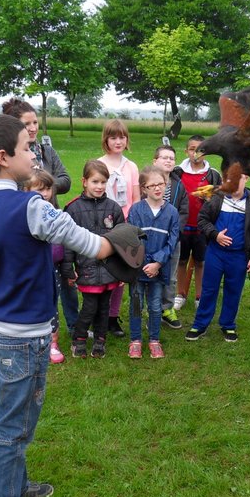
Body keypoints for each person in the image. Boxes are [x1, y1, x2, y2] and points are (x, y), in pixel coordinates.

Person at [0, 113, 140, 497]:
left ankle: (13, 488)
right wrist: (125, 238)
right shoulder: (33, 206)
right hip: (25, 338)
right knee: (11, 429)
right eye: (26, 148)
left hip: (0, 333)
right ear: (4, 158)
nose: (33, 153)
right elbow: (90, 243)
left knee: (11, 420)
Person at [2, 98, 77, 333]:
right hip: (24, 226)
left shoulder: (46, 151)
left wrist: (44, 184)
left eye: (35, 122)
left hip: (52, 221)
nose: (33, 128)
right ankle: (40, 328)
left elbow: (66, 180)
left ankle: (75, 327)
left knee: (66, 276)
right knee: (39, 279)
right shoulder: (11, 157)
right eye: (27, 124)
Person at [184, 173, 250, 342]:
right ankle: (200, 324)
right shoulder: (216, 199)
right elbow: (202, 220)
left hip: (239, 256)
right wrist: (215, 235)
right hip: (216, 253)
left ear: (246, 179)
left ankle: (228, 325)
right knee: (209, 288)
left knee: (233, 290)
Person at [61, 160, 125, 358]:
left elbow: (122, 240)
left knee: (104, 308)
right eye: (95, 181)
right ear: (84, 181)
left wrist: (122, 268)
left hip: (109, 270)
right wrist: (68, 268)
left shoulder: (113, 208)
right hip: (86, 269)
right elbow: (68, 241)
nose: (99, 186)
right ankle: (79, 340)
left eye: (103, 182)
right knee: (89, 308)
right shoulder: (73, 209)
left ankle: (100, 340)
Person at [127, 166, 179, 359]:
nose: (157, 188)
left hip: (159, 270)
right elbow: (133, 240)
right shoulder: (136, 210)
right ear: (143, 188)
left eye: (161, 184)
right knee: (136, 304)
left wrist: (157, 263)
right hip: (137, 268)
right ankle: (135, 340)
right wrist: (144, 264)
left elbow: (172, 242)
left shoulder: (172, 212)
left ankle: (154, 340)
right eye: (152, 185)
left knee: (156, 306)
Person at [98, 118, 140, 337]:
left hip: (123, 225)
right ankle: (99, 314)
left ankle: (113, 317)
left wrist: (131, 227)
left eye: (122, 137)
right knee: (101, 272)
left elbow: (135, 198)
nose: (118, 141)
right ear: (106, 139)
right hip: (102, 225)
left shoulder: (131, 166)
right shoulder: (99, 164)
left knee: (120, 274)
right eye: (113, 137)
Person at [23, 168, 65, 364]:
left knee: (51, 303)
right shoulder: (22, 216)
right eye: (38, 189)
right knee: (29, 302)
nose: (45, 194)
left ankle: (53, 343)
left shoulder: (57, 213)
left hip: (52, 267)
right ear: (26, 190)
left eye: (48, 188)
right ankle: (29, 342)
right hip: (30, 269)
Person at [174, 134, 221, 311]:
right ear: (186, 151)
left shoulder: (213, 174)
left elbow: (219, 199)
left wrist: (210, 199)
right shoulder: (178, 172)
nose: (196, 153)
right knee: (181, 260)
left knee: (201, 262)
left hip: (203, 228)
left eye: (200, 149)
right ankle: (180, 294)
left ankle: (199, 295)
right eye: (192, 149)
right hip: (182, 226)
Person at [152, 145, 188, 329]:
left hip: (172, 239)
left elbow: (183, 212)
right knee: (150, 273)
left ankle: (167, 308)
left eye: (172, 158)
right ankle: (152, 308)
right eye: (164, 157)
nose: (168, 161)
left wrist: (172, 234)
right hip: (150, 239)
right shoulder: (147, 183)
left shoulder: (179, 185)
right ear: (155, 161)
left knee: (170, 275)